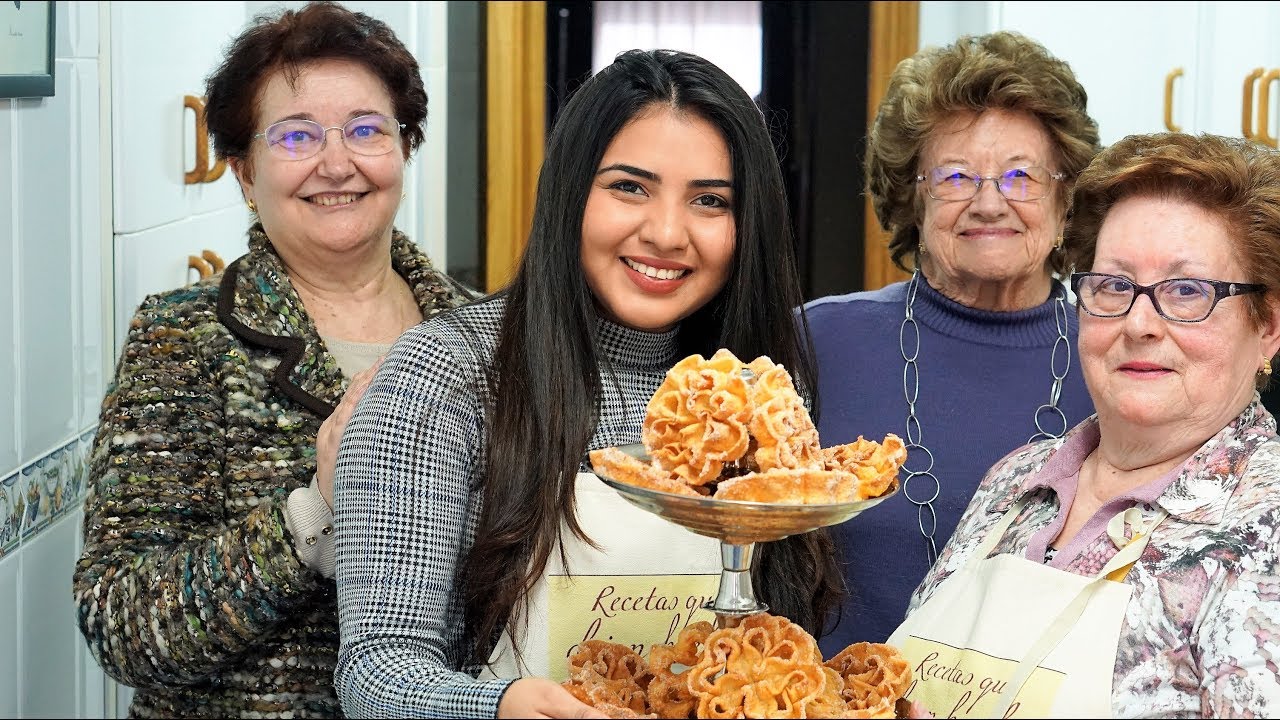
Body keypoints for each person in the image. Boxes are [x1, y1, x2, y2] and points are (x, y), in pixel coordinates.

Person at [332, 49, 844, 719]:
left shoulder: (759, 399)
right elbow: (377, 671)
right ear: (572, 190)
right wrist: (498, 708)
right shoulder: (448, 374)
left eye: (710, 201)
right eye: (629, 187)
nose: (665, 233)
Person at [71, 3, 473, 717]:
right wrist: (311, 516)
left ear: (405, 148)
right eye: (296, 136)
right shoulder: (183, 338)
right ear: (244, 172)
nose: (338, 162)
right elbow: (122, 626)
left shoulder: (482, 336)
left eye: (366, 129)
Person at [890, 131, 1280, 718]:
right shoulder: (1018, 478)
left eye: (1187, 291)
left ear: (1268, 326)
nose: (1140, 323)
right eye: (1114, 286)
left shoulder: (1265, 534)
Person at [803, 30, 1101, 651]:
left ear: (1065, 195)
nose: (990, 203)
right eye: (956, 176)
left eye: (1021, 176)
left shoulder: (1121, 356)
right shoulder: (815, 340)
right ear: (911, 194)